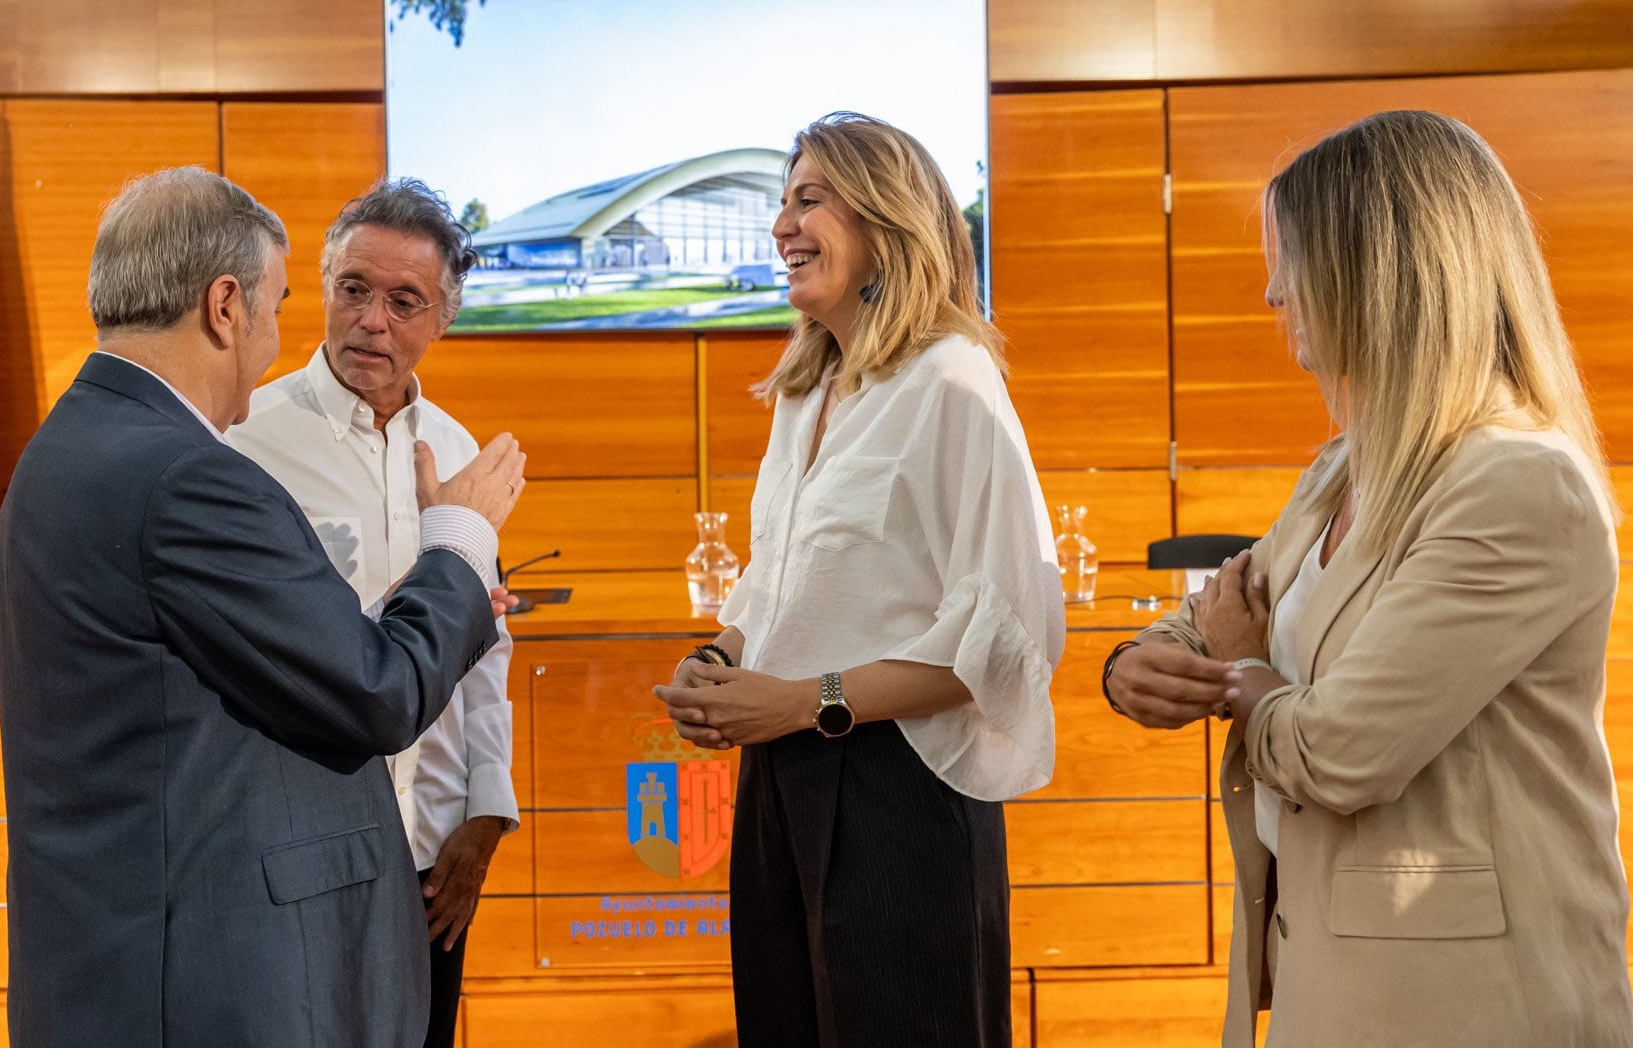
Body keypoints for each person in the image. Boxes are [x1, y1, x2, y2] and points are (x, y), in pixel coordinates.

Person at [1102, 110, 1633, 1047]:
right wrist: (1135, 663)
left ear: (1383, 271)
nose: (1272, 291)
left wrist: (1236, 677)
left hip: (1469, 999)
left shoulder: (1516, 482)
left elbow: (1344, 752)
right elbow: (1219, 611)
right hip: (1339, 977)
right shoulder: (1347, 465)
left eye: (1294, 259)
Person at [0, 166, 527, 1047]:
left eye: (406, 300)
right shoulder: (195, 473)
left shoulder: (75, 440)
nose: (282, 335)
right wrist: (460, 539)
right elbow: (376, 689)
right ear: (226, 306)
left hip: (137, 939)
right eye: (292, 303)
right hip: (206, 960)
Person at [653, 112, 1064, 1048]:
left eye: (810, 200)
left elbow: (1002, 640)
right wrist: (717, 663)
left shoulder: (953, 380)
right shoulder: (806, 391)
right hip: (783, 777)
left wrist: (803, 701)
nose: (781, 226)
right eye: (781, 204)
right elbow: (775, 582)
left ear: (886, 219)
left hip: (900, 788)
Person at [228, 179, 516, 1048]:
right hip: (301, 854)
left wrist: (486, 814)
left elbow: (485, 648)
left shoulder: (461, 452)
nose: (372, 321)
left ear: (443, 320)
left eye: (404, 301)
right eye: (354, 289)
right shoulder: (246, 439)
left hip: (433, 854)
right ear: (321, 288)